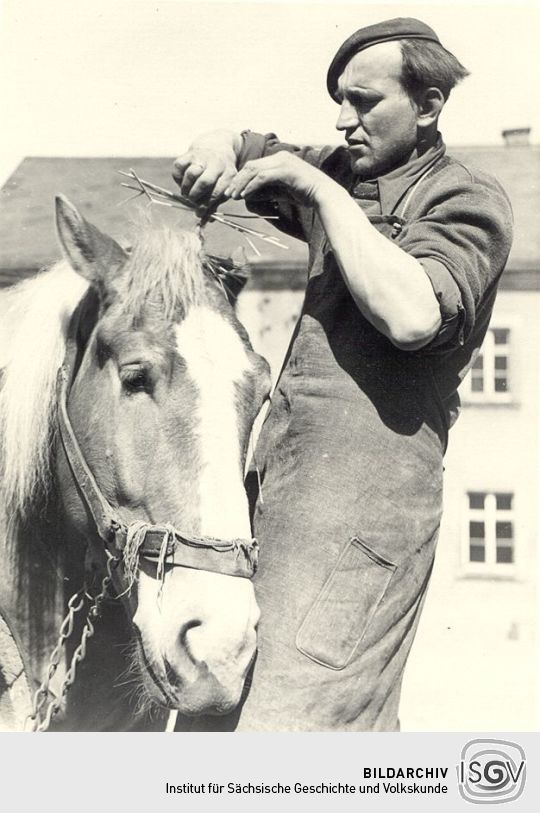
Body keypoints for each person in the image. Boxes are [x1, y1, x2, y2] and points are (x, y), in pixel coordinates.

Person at [172, 17, 513, 731]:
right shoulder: (346, 172)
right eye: (339, 101)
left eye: (363, 102)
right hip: (273, 493)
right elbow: (249, 149)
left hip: (362, 517)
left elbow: (415, 314)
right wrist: (217, 147)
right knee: (217, 715)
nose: (342, 119)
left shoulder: (466, 199)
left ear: (427, 106)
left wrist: (318, 193)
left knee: (299, 731)